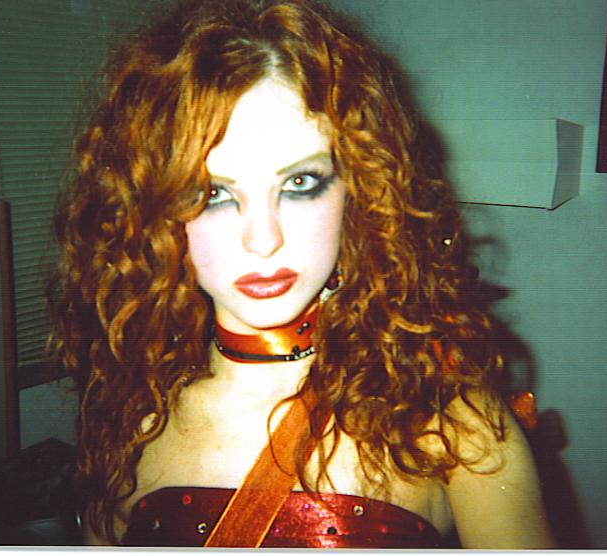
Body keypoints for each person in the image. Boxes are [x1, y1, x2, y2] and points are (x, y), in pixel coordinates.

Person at [47, 0, 553, 548]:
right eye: (213, 194)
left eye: (299, 184)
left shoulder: (452, 426)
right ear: (154, 210)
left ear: (359, 190)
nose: (263, 241)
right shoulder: (131, 416)